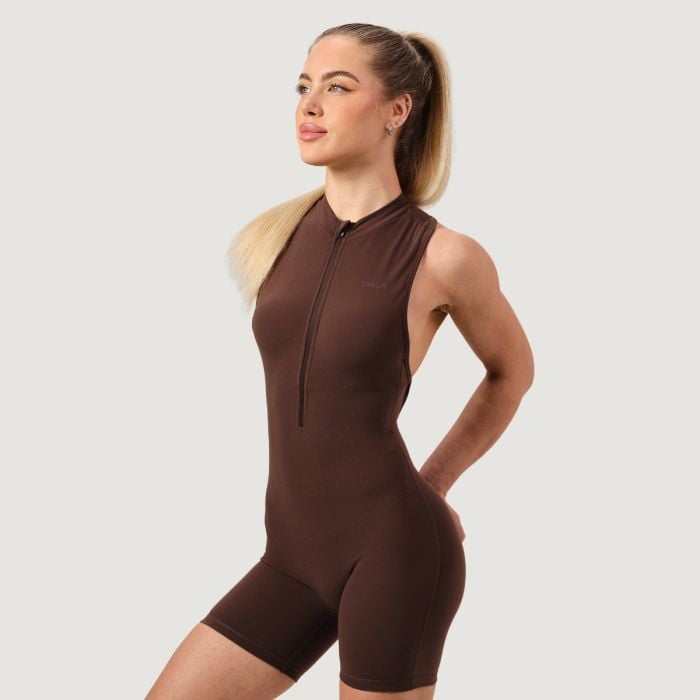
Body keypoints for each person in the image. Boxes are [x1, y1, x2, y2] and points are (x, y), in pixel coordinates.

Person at [146, 22, 534, 700]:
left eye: (337, 87)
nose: (310, 105)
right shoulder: (276, 236)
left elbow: (512, 372)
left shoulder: (444, 256)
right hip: (290, 560)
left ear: (397, 110)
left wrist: (436, 481)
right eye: (303, 87)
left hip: (396, 556)